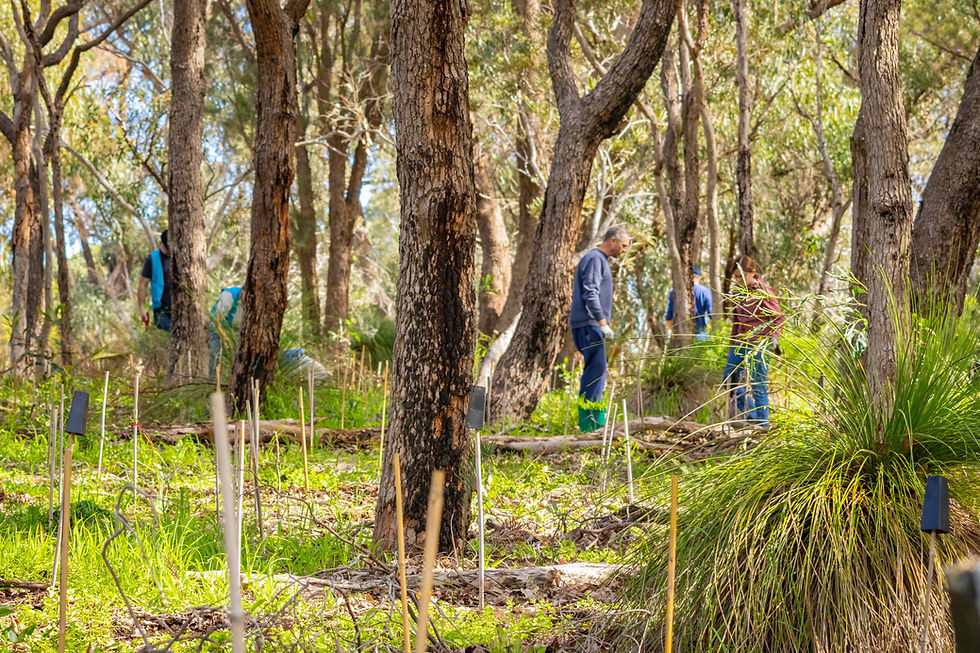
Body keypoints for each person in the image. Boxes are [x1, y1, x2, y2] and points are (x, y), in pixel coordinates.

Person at [569, 225, 630, 432]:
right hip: (589, 324)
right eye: (623, 245)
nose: (624, 250)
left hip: (588, 324)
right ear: (612, 240)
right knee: (596, 371)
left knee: (595, 369)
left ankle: (590, 422)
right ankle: (590, 425)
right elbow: (590, 292)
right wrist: (602, 323)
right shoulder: (595, 259)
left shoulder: (598, 260)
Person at [722, 255, 785, 428]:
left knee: (758, 385)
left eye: (741, 276)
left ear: (752, 273)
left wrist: (774, 340)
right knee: (729, 378)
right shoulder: (737, 292)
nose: (738, 280)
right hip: (741, 341)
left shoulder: (763, 290)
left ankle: (762, 425)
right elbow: (736, 321)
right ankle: (751, 414)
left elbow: (778, 317)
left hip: (760, 343)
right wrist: (732, 345)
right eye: (735, 277)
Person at [664, 265, 713, 340]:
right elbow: (712, 315)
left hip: (681, 337)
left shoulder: (674, 292)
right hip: (702, 336)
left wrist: (675, 332)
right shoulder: (705, 291)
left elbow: (668, 318)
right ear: (699, 278)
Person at [137, 229, 172, 331]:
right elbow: (142, 284)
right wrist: (141, 308)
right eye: (166, 248)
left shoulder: (180, 256)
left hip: (180, 310)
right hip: (161, 312)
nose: (169, 252)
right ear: (160, 244)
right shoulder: (152, 259)